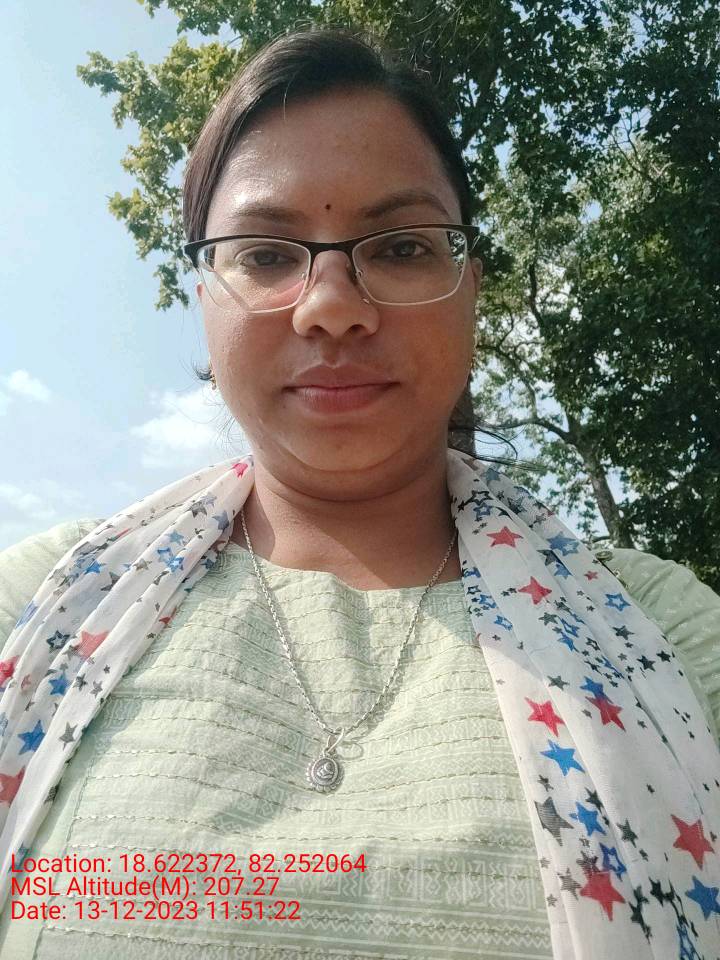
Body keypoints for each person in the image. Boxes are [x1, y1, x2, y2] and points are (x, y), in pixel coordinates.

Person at [0, 25, 718, 960]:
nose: (331, 305)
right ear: (204, 299)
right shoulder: (41, 612)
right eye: (266, 255)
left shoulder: (668, 635)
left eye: (403, 247)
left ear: (470, 288)